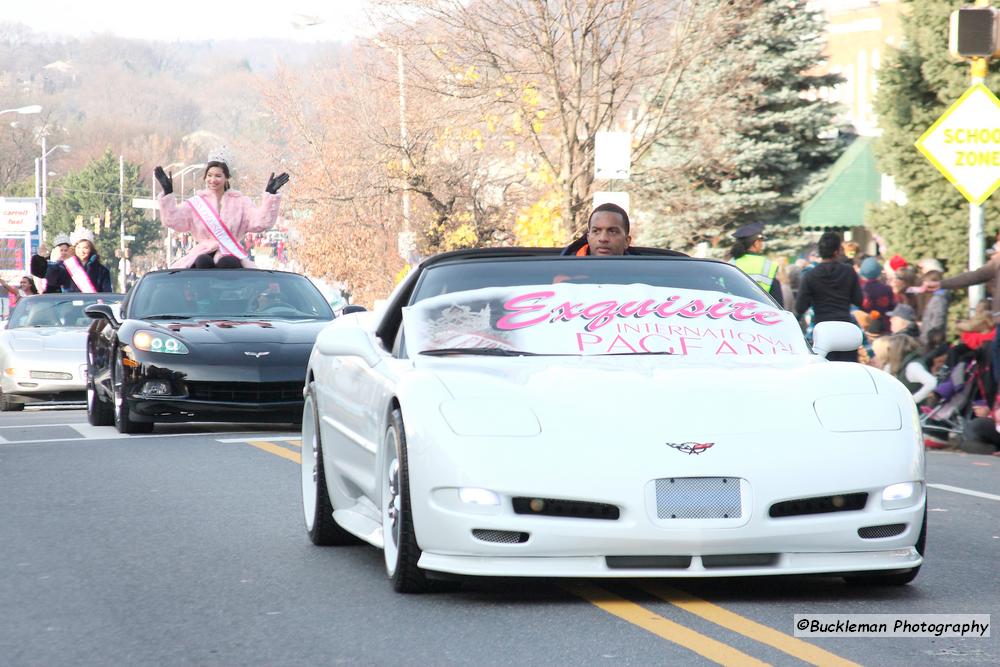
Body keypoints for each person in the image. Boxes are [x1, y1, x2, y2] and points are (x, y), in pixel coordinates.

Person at [155, 148, 288, 269]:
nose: (213, 180)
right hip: (203, 253)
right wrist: (167, 193)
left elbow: (261, 222)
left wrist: (270, 195)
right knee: (202, 262)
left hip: (231, 255)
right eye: (210, 175)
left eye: (218, 176)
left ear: (226, 178)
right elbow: (172, 220)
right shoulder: (196, 203)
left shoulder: (240, 203)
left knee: (228, 263)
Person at [795, 231, 863, 361]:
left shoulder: (811, 275)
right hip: (845, 328)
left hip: (822, 331)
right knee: (847, 371)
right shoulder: (849, 271)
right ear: (837, 251)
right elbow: (858, 300)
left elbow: (800, 307)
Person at [727, 222, 783, 306]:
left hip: (734, 312)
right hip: (760, 313)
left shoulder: (730, 263)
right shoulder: (768, 265)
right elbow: (777, 299)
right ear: (756, 243)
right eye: (761, 242)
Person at [871, 334, 937, 403]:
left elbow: (931, 383)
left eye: (890, 349)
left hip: (918, 410)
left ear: (896, 350)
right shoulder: (897, 365)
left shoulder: (912, 366)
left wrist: (912, 401)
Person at [44, 230, 113, 293]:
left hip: (93, 305)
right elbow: (52, 281)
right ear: (74, 249)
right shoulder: (65, 266)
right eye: (78, 248)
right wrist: (54, 262)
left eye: (85, 248)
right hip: (70, 304)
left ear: (91, 249)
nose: (82, 251)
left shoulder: (101, 270)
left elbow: (106, 292)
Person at [561, 203, 634, 256]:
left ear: (626, 241)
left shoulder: (641, 274)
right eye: (596, 231)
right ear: (588, 238)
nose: (603, 238)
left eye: (612, 231)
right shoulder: (565, 272)